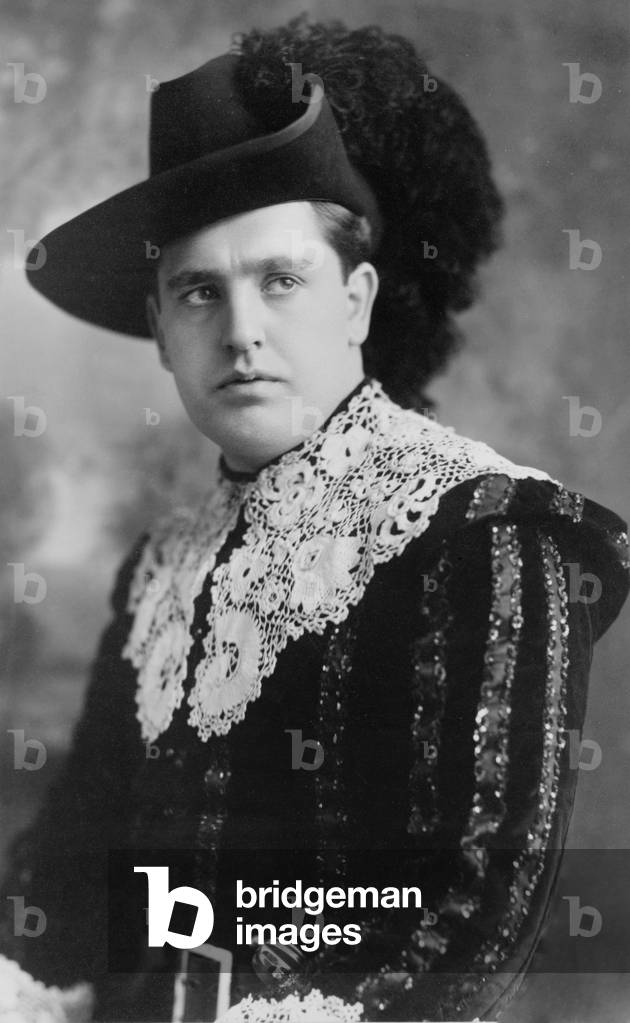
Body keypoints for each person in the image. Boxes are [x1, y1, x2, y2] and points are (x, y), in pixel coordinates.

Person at [1, 15, 628, 1023]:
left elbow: (468, 925)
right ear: (160, 330)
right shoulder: (162, 565)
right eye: (199, 293)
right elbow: (71, 875)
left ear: (358, 299)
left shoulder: (485, 531)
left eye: (280, 280)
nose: (241, 332)